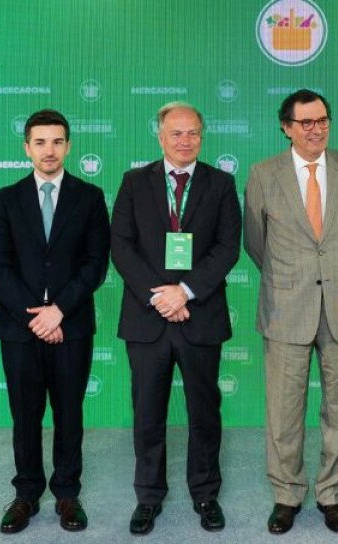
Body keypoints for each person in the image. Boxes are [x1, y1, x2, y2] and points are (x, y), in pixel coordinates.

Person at [244, 89, 338, 535]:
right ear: (286, 127)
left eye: (323, 120)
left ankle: (331, 494)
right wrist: (293, 276)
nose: (316, 130)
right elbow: (256, 243)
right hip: (285, 307)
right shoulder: (263, 174)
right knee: (283, 411)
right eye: (306, 123)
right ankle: (287, 494)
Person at [111, 102, 241, 535]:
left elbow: (227, 247)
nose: (185, 141)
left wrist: (184, 291)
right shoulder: (134, 182)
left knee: (204, 411)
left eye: (193, 133)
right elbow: (122, 246)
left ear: (202, 136)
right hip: (147, 317)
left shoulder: (221, 184)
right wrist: (160, 296)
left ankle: (205, 493)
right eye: (176, 133)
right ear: (160, 136)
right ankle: (148, 496)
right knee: (148, 411)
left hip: (199, 313)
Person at [0, 109, 110, 534]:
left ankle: (67, 493)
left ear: (68, 146)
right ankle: (26, 494)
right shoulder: (7, 198)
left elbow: (95, 263)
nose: (49, 150)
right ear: (27, 148)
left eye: (57, 142)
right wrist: (35, 317)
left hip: (71, 326)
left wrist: (59, 310)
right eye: (40, 142)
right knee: (25, 416)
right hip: (19, 330)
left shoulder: (90, 197)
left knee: (69, 413)